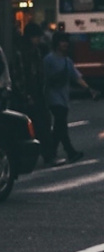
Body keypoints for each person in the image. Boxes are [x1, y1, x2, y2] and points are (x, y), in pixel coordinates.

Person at [42, 33, 97, 164]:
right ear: (56, 43)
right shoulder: (48, 59)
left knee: (59, 127)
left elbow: (77, 77)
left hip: (64, 98)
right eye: (62, 41)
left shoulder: (67, 61)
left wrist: (89, 89)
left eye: (66, 42)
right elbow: (42, 77)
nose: (65, 44)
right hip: (52, 97)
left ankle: (51, 153)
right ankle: (70, 151)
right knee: (61, 124)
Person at [12, 23, 52, 165]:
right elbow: (19, 77)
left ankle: (47, 155)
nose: (38, 40)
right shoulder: (22, 52)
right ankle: (45, 156)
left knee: (43, 125)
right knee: (38, 126)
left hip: (37, 93)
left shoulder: (35, 51)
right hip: (29, 95)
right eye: (36, 37)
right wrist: (25, 95)